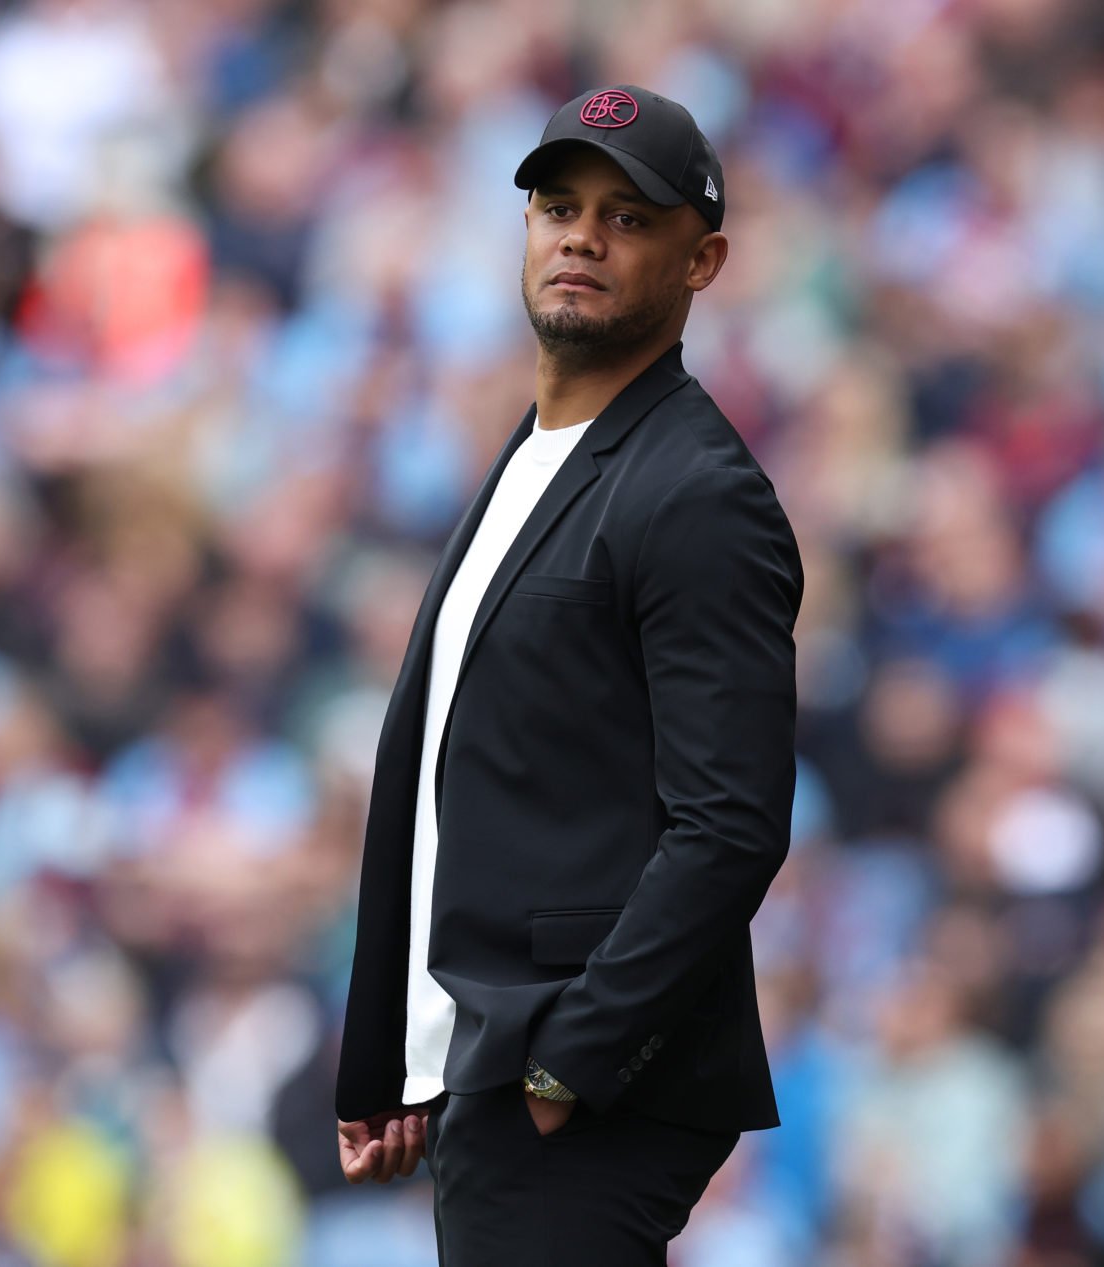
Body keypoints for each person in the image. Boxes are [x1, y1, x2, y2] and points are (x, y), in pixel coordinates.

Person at [333, 84, 804, 1265]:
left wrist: (572, 1059)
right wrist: (394, 1050)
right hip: (491, 1064)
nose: (582, 236)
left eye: (629, 216)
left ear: (704, 261)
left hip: (572, 1085)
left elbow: (732, 825)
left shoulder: (697, 491)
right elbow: (449, 765)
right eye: (557, 205)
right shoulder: (542, 453)